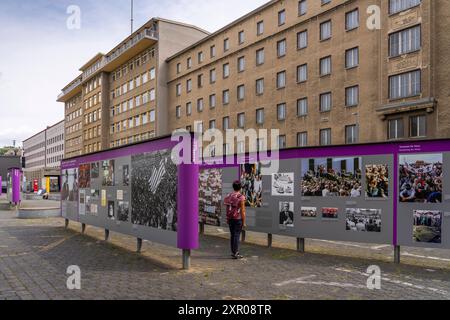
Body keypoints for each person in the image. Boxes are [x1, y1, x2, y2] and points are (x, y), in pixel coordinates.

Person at [224, 181, 246, 259]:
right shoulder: (241, 197)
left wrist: (227, 218)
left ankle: (233, 252)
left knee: (232, 235)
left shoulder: (229, 195)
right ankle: (236, 253)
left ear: (233, 187)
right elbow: (243, 211)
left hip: (230, 218)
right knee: (236, 235)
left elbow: (227, 208)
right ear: (240, 188)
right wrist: (244, 222)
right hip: (237, 219)